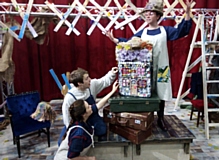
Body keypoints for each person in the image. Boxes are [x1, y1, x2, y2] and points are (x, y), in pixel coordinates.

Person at [106, 0, 193, 131]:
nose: (147, 15)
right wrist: (116, 40)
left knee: (162, 92)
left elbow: (182, 31)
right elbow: (130, 43)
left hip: (162, 68)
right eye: (146, 13)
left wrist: (187, 13)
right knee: (145, 92)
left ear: (158, 16)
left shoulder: (165, 30)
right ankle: (146, 117)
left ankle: (161, 118)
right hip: (144, 69)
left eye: (151, 13)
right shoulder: (143, 33)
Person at [54, 81, 119, 160]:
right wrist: (88, 159)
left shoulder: (83, 118)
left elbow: (98, 105)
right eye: (88, 107)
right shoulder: (78, 134)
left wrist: (112, 91)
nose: (91, 106)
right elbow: (71, 158)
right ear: (83, 114)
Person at [58, 67, 118, 145]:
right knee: (62, 142)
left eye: (88, 77)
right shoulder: (70, 98)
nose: (90, 79)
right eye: (86, 79)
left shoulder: (91, 85)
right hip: (79, 121)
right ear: (79, 83)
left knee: (102, 130)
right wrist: (72, 130)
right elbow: (67, 118)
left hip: (93, 116)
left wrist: (112, 73)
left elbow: (104, 81)